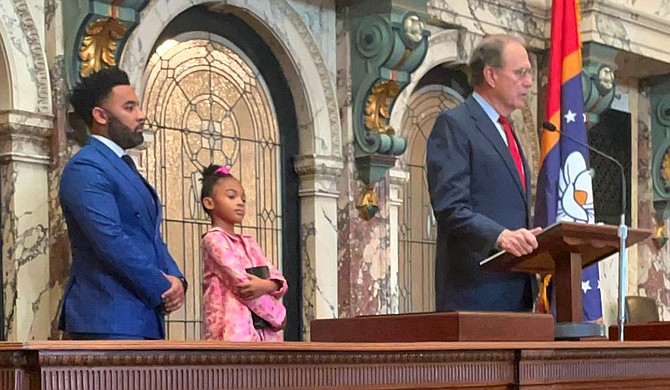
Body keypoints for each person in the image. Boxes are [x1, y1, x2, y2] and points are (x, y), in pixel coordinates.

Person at [59, 67, 187, 340]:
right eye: (129, 108)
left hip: (142, 316)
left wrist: (177, 280)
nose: (141, 115)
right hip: (106, 318)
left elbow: (151, 237)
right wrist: (161, 285)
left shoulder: (120, 166)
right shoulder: (86, 166)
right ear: (101, 115)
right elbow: (109, 239)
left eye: (138, 106)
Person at [426, 34, 542, 312]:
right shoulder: (455, 125)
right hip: (475, 295)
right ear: (491, 75)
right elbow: (450, 207)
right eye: (520, 73)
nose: (528, 82)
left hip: (517, 292)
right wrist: (500, 236)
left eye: (529, 73)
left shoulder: (507, 130)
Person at [200, 164, 287, 341]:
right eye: (232, 196)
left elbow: (279, 280)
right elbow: (243, 286)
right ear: (209, 203)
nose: (240, 202)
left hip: (266, 335)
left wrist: (268, 285)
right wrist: (279, 316)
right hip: (232, 334)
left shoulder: (249, 242)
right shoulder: (214, 239)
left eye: (243, 199)